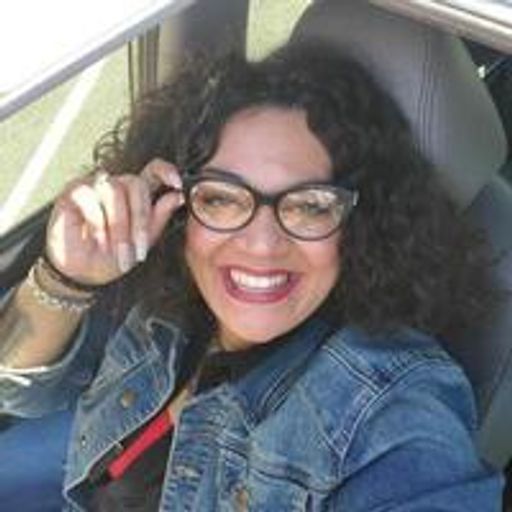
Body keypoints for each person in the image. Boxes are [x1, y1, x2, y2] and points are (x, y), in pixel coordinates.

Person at [0, 41, 504, 511]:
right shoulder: (165, 295)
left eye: (310, 205)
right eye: (221, 198)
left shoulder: (389, 404)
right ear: (179, 206)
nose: (262, 245)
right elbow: (20, 391)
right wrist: (67, 278)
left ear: (359, 224)